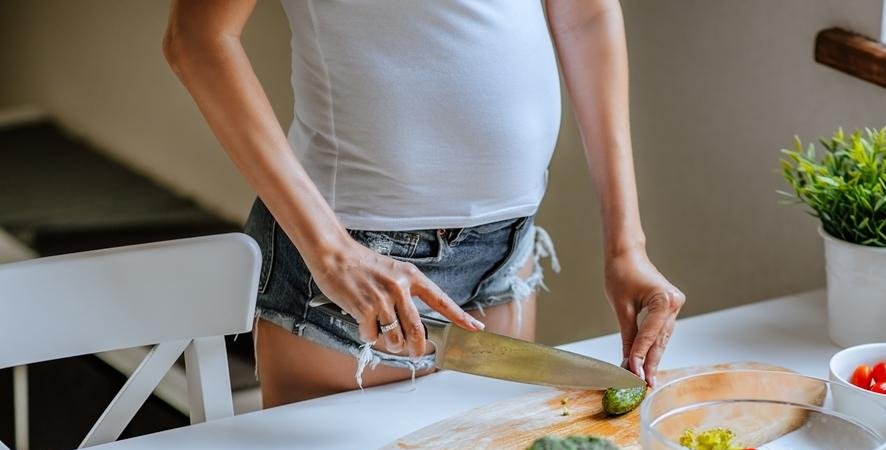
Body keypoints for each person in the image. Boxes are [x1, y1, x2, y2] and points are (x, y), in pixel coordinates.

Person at [164, 0, 684, 407]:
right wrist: (334, 253)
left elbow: (586, 14)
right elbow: (197, 37)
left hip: (505, 252)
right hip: (353, 264)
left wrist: (626, 246)